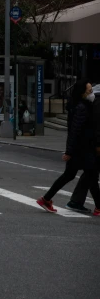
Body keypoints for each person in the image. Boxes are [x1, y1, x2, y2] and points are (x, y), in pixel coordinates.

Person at [37, 79, 100, 214]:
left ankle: (46, 199)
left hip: (81, 149)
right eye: (89, 91)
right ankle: (98, 207)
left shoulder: (81, 106)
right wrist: (69, 152)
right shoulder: (82, 108)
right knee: (90, 176)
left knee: (77, 176)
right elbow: (74, 131)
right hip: (82, 150)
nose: (92, 93)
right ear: (82, 93)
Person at [67, 86, 100, 215]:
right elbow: (97, 124)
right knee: (91, 173)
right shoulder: (97, 102)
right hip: (94, 145)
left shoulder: (94, 101)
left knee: (90, 173)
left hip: (92, 144)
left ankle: (77, 201)